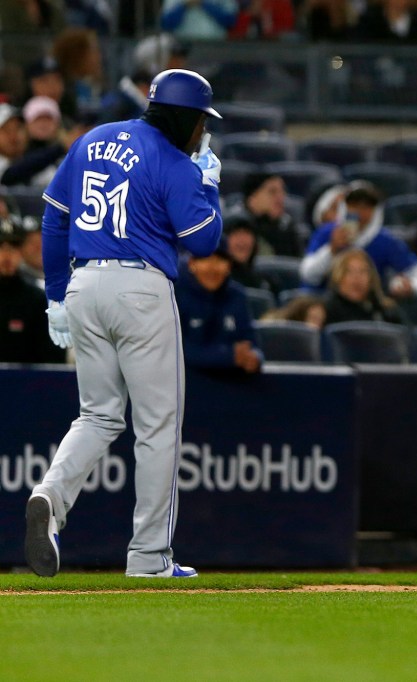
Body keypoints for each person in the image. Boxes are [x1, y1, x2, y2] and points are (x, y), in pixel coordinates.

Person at [27, 68, 225, 579]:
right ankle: (149, 557)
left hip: (84, 286)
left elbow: (52, 216)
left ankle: (50, 494)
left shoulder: (92, 139)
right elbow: (203, 241)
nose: (203, 131)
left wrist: (54, 297)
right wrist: (208, 183)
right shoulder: (173, 159)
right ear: (185, 116)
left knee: (97, 416)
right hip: (141, 288)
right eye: (201, 121)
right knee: (156, 425)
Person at [300, 181, 417, 297]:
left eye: (367, 206)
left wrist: (412, 286)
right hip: (322, 302)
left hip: (366, 307)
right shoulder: (327, 232)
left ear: (376, 211)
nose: (360, 212)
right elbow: (307, 274)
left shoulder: (385, 241)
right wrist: (331, 249)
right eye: (354, 204)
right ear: (344, 207)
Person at [175, 241, 263, 375]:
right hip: (188, 386)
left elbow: (251, 343)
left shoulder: (237, 296)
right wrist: (228, 356)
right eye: (205, 260)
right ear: (191, 264)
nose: (213, 268)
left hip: (233, 388)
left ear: (229, 266)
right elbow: (175, 351)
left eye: (220, 261)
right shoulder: (175, 294)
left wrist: (254, 358)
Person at [0, 219, 65, 364]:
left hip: (25, 383)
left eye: (14, 247)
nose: (7, 255)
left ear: (21, 252)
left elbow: (51, 359)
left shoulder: (36, 300)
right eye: (1, 247)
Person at [226, 172, 305, 257]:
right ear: (252, 197)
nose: (281, 197)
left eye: (282, 192)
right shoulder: (233, 227)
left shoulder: (287, 228)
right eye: (272, 192)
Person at [321, 248, 405, 325]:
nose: (357, 278)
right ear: (338, 277)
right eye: (349, 272)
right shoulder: (325, 311)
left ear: (371, 278)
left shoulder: (386, 310)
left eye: (363, 271)